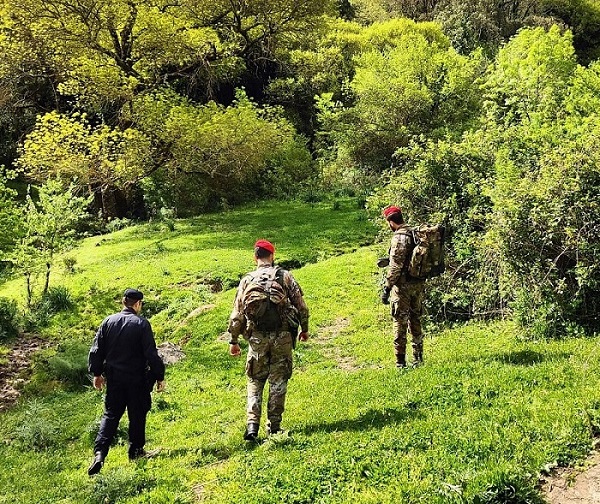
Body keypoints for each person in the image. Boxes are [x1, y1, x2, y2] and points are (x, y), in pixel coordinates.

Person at [228, 239, 309, 441]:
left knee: (255, 380)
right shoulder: (285, 277)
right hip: (282, 337)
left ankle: (252, 426)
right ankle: (274, 427)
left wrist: (234, 340)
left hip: (256, 338)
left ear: (255, 257)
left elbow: (237, 314)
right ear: (272, 256)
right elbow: (302, 307)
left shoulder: (247, 280)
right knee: (278, 380)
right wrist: (304, 329)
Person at [87, 288, 165, 476]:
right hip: (137, 379)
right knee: (137, 415)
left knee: (111, 415)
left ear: (124, 302)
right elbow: (151, 354)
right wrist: (160, 376)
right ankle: (136, 452)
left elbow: (96, 350)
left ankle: (99, 453)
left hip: (114, 379)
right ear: (137, 304)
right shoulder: (142, 324)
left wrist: (97, 374)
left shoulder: (108, 322)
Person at [380, 206, 425, 369]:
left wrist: (386, 288)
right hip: (417, 285)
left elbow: (396, 268)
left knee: (399, 322)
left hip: (403, 287)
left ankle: (400, 363)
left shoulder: (399, 237)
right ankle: (418, 358)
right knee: (416, 320)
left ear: (391, 221)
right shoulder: (414, 233)